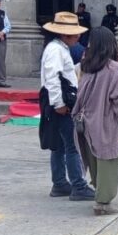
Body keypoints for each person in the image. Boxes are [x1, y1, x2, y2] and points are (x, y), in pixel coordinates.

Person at [72, 27, 118, 216]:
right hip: (107, 123)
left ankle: (99, 194)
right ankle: (103, 202)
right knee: (109, 161)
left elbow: (80, 95)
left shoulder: (86, 67)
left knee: (95, 160)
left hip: (88, 123)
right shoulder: (115, 69)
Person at [38, 11, 95, 201]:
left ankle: (60, 182)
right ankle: (78, 184)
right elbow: (53, 79)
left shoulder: (58, 48)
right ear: (65, 34)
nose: (78, 37)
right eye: (75, 33)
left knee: (60, 145)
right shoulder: (56, 50)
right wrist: (59, 103)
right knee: (72, 145)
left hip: (59, 99)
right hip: (60, 101)